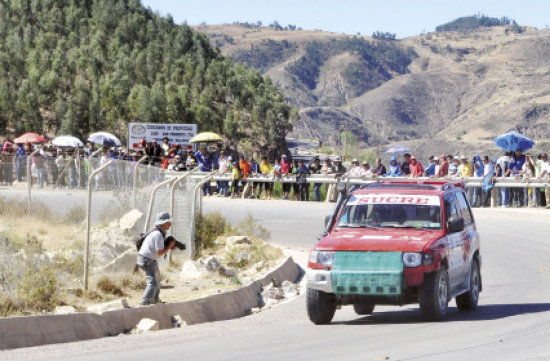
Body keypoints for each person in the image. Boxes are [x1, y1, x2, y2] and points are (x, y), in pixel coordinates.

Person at [137, 212, 176, 306]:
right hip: (147, 260)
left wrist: (168, 247)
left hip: (150, 260)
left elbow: (159, 249)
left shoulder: (158, 232)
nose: (170, 224)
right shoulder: (158, 234)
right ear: (163, 223)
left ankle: (155, 300)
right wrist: (169, 246)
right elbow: (159, 252)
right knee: (153, 282)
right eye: (168, 222)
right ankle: (144, 302)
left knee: (157, 280)